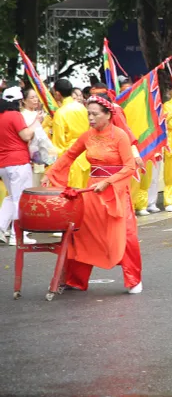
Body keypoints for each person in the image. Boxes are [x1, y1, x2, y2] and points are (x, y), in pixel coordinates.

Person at [40, 96, 143, 294]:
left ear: (108, 115)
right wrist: (50, 173)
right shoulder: (87, 136)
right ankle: (75, 280)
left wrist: (108, 182)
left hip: (115, 191)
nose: (91, 118)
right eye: (89, 114)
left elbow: (130, 166)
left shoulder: (120, 136)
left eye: (95, 114)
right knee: (82, 234)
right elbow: (70, 155)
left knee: (126, 236)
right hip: (92, 191)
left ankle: (133, 279)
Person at [0, 87, 39, 245]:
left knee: (11, 197)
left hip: (4, 164)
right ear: (19, 101)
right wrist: (37, 123)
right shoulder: (15, 115)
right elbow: (26, 135)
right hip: (18, 162)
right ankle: (18, 236)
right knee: (20, 199)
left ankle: (2, 229)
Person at [50, 78, 90, 190]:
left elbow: (58, 144)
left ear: (57, 94)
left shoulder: (61, 113)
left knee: (72, 193)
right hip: (86, 154)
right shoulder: (82, 108)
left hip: (71, 155)